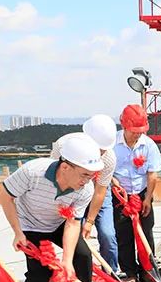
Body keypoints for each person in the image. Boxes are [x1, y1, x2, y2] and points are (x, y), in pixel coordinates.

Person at [0, 133, 104, 282]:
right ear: (65, 167)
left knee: (82, 256)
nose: (88, 180)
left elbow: (73, 223)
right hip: (29, 225)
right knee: (40, 271)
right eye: (84, 174)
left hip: (58, 223)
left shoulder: (85, 189)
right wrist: (17, 232)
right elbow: (6, 196)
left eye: (91, 175)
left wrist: (67, 260)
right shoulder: (32, 172)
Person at [50, 114, 118, 273]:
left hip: (96, 191)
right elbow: (54, 179)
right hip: (71, 193)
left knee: (108, 234)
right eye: (98, 149)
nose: (100, 153)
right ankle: (76, 275)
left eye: (103, 150)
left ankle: (111, 275)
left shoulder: (108, 158)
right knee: (75, 239)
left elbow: (100, 191)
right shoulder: (63, 146)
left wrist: (90, 221)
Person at [111, 104, 161, 282]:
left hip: (142, 193)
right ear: (124, 126)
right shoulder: (112, 144)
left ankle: (147, 269)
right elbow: (105, 170)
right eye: (134, 131)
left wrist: (147, 198)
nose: (137, 135)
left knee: (146, 232)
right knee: (123, 235)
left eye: (141, 131)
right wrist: (113, 182)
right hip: (119, 195)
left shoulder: (148, 145)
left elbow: (152, 174)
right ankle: (130, 272)